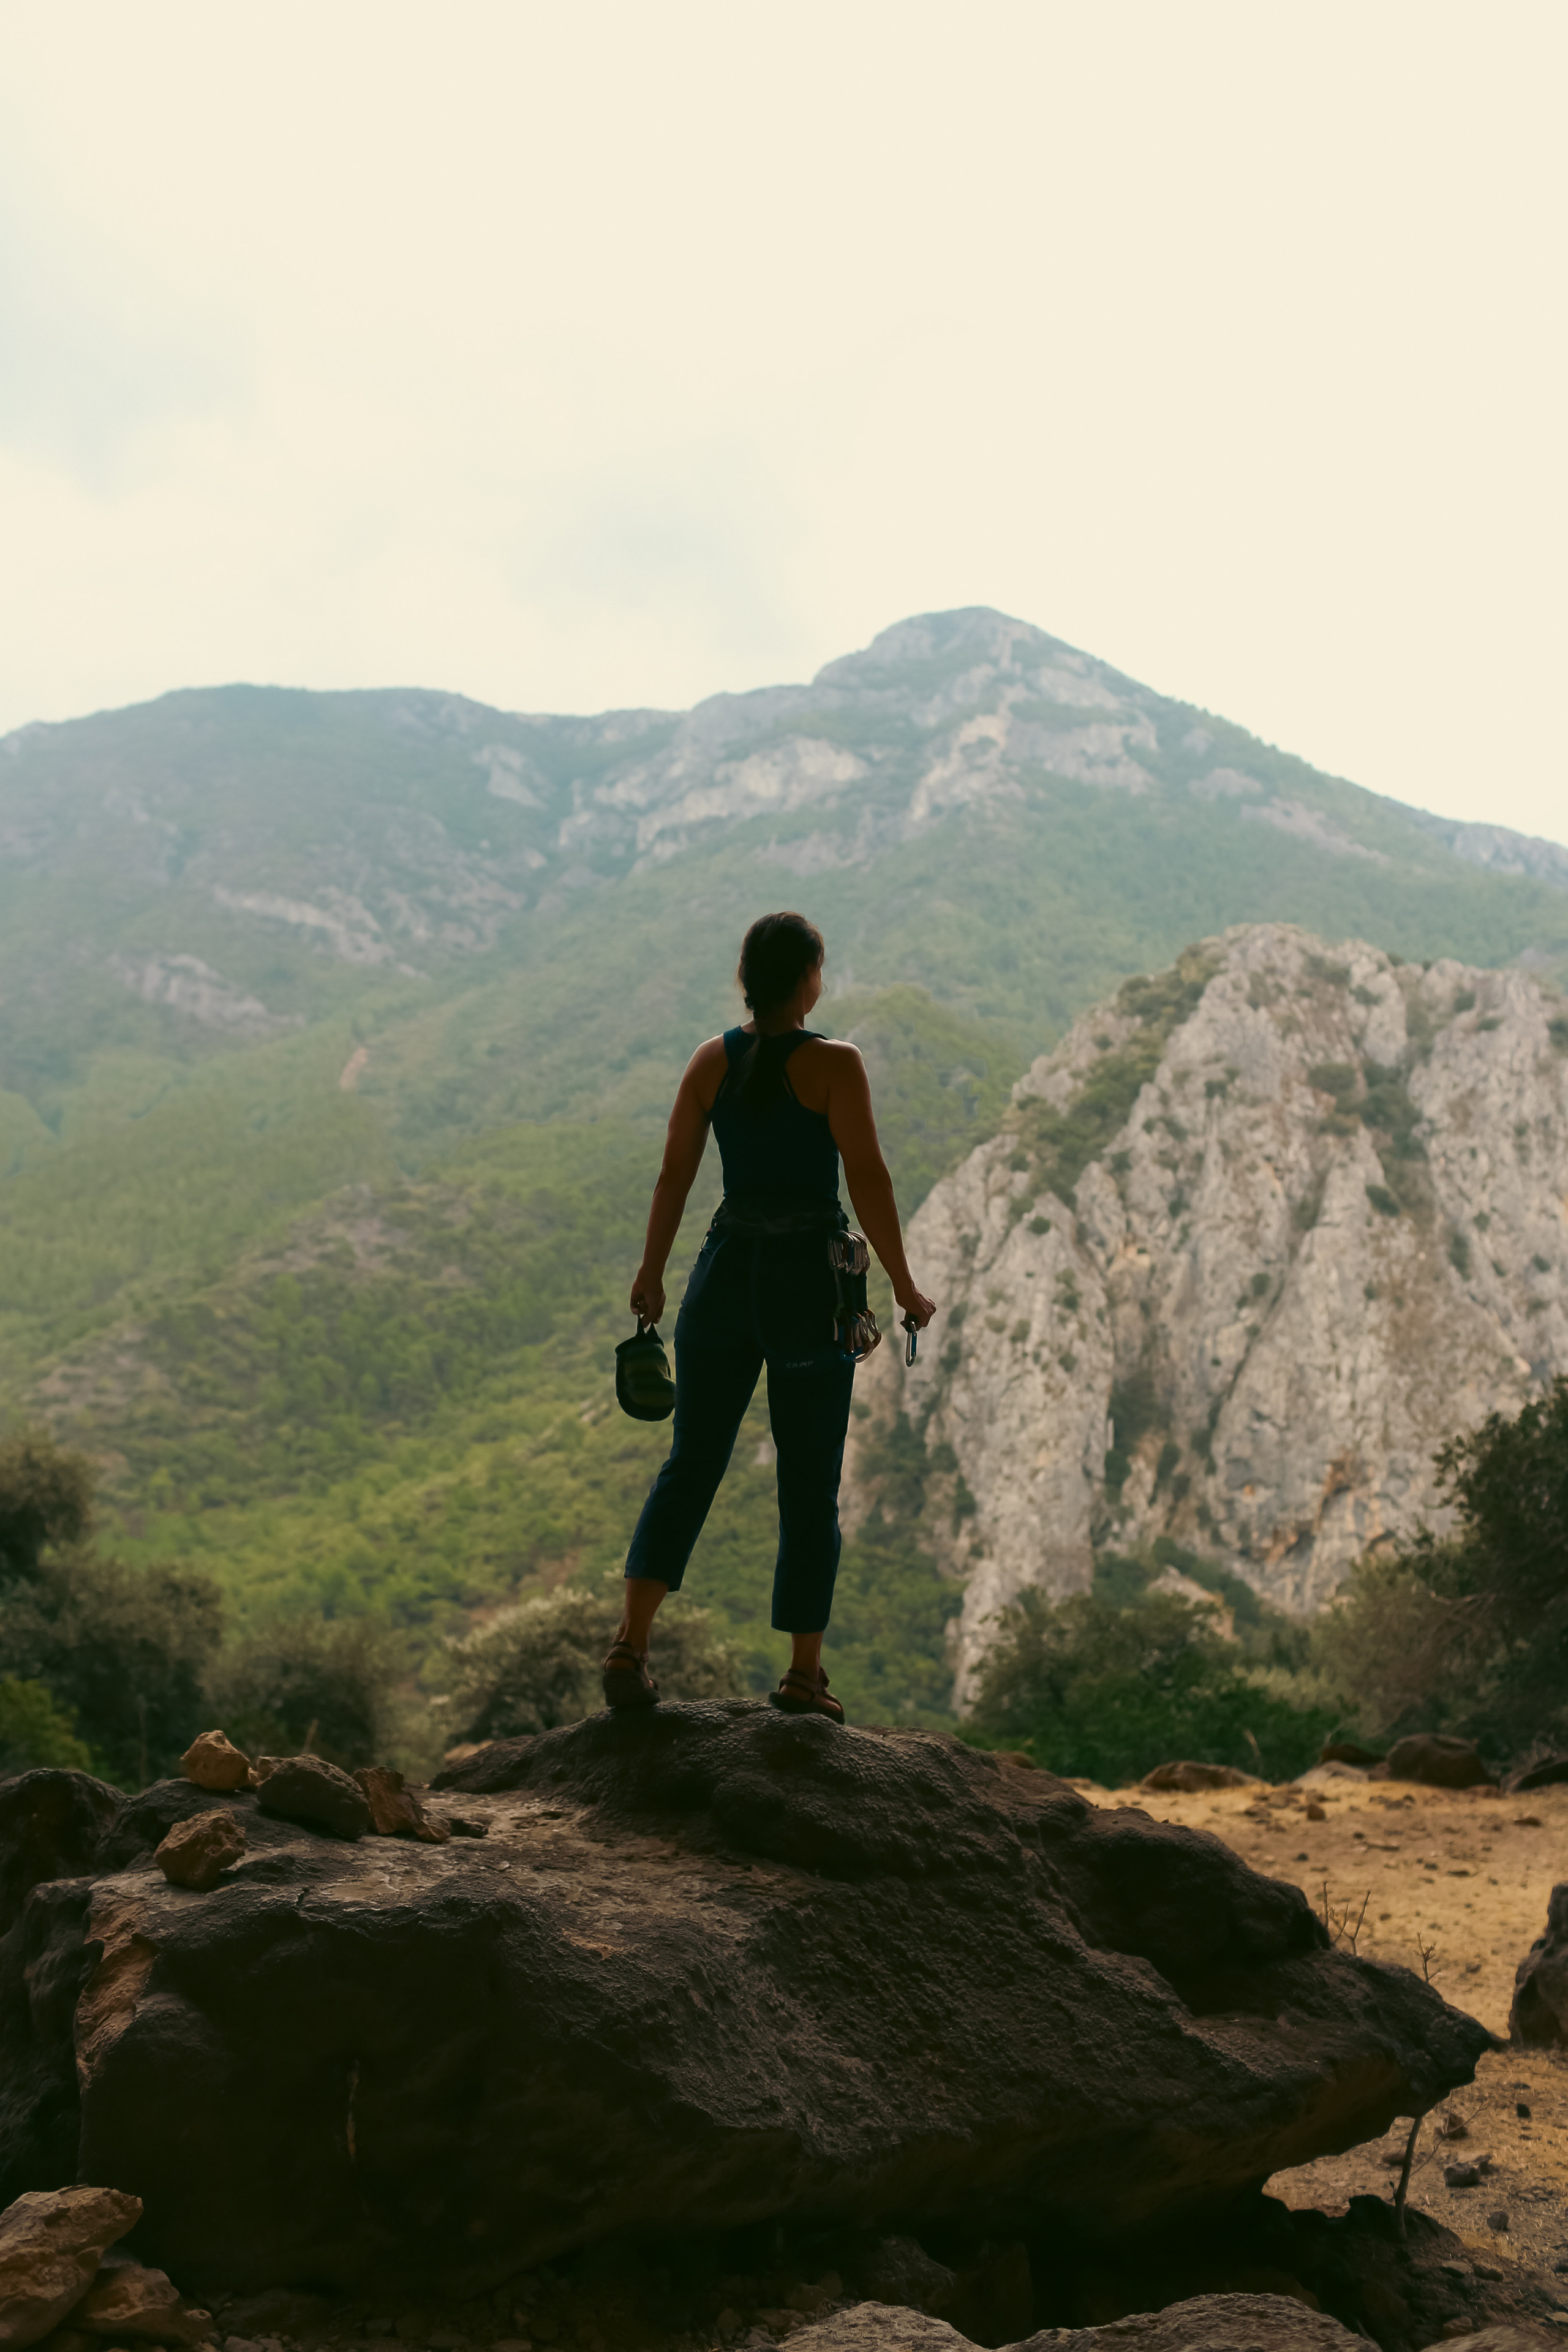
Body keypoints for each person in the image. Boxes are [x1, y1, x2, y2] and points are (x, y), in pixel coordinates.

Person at [604, 911, 936, 1724]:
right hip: (804, 1293)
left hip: (721, 1279)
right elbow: (869, 1179)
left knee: (690, 1465)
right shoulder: (835, 1066)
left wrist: (650, 1273)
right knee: (808, 1480)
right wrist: (904, 1285)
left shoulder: (712, 1061)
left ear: (746, 977)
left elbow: (674, 1175)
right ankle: (802, 1676)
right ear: (810, 979)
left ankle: (630, 1646)